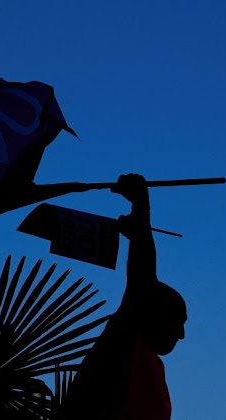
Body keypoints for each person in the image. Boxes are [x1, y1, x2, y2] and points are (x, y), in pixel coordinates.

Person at [63, 174, 187, 419]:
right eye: (176, 320)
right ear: (151, 313)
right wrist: (141, 209)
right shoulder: (126, 343)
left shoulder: (148, 364)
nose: (181, 334)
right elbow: (142, 277)